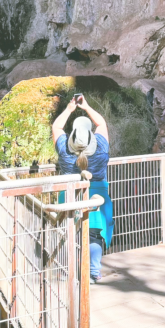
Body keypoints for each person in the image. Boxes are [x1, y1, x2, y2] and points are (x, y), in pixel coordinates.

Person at [52, 95, 113, 283]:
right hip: (97, 195)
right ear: (91, 136)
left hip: (70, 194)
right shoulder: (101, 147)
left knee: (67, 231)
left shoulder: (64, 150)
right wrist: (85, 107)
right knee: (94, 233)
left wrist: (70, 109)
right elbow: (101, 123)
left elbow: (56, 127)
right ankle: (94, 272)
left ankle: (65, 271)